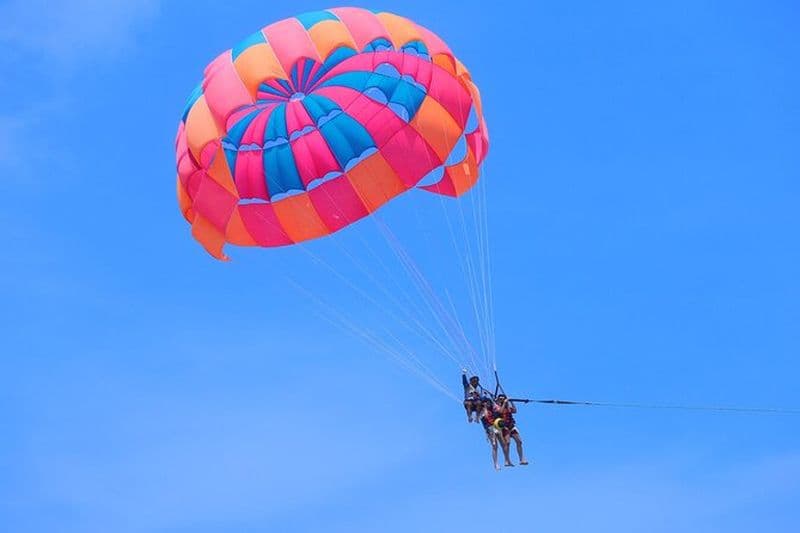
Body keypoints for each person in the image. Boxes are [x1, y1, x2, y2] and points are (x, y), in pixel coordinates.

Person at [494, 394, 529, 466]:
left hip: (511, 426)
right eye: (500, 399)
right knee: (507, 443)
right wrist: (504, 403)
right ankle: (507, 460)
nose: (502, 400)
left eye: (503, 399)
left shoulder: (508, 407)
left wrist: (511, 401)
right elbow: (500, 412)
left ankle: (522, 459)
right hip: (504, 427)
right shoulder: (497, 406)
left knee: (519, 441)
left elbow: (515, 410)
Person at [479, 397, 503, 471]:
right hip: (490, 430)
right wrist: (485, 407)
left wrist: (496, 402)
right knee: (495, 446)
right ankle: (496, 464)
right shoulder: (482, 411)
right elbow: (485, 416)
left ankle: (506, 459)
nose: (488, 403)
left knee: (503, 444)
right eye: (486, 402)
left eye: (488, 402)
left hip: (497, 428)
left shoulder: (493, 409)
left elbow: (499, 411)